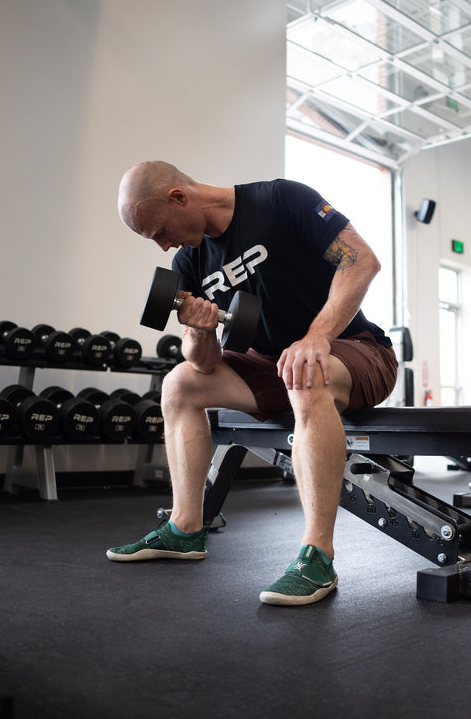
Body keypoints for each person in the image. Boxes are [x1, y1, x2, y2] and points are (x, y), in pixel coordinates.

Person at [108, 161, 397, 606]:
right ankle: (186, 528)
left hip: (355, 349)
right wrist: (202, 331)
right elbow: (202, 365)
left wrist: (316, 337)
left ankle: (317, 554)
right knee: (180, 384)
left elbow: (361, 261)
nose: (164, 246)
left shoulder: (280, 200)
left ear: (179, 197)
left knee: (305, 373)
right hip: (273, 363)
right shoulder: (191, 260)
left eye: (161, 231)